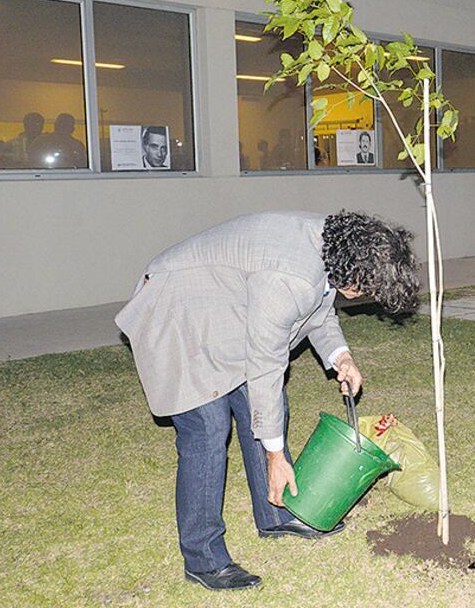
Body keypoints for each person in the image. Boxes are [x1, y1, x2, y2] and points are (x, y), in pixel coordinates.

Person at [114, 210, 419, 592]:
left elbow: (319, 309)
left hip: (221, 307)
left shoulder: (332, 248)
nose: (367, 298)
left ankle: (275, 513)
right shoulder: (289, 277)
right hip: (179, 310)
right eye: (370, 290)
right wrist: (275, 457)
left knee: (266, 408)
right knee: (208, 430)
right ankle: (203, 559)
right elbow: (265, 365)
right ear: (355, 274)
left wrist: (342, 356)